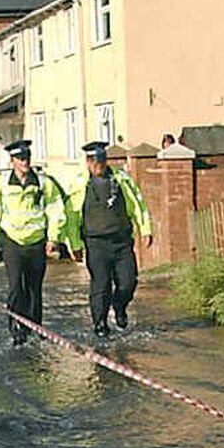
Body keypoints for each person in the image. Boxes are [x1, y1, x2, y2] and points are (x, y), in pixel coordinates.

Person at [0, 140, 67, 346]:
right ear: (12, 161)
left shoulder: (43, 182)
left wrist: (53, 238)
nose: (25, 161)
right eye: (21, 158)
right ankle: (16, 328)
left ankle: (35, 327)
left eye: (27, 157)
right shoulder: (2, 183)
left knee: (34, 289)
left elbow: (55, 210)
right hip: (12, 242)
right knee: (15, 288)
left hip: (36, 242)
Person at [78, 141, 153, 337]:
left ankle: (119, 306)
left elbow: (138, 204)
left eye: (101, 160)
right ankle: (100, 324)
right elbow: (70, 215)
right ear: (87, 162)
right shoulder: (79, 183)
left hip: (121, 241)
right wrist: (72, 243)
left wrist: (145, 229)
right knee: (101, 284)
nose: (98, 165)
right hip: (96, 243)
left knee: (128, 282)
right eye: (94, 161)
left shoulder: (121, 179)